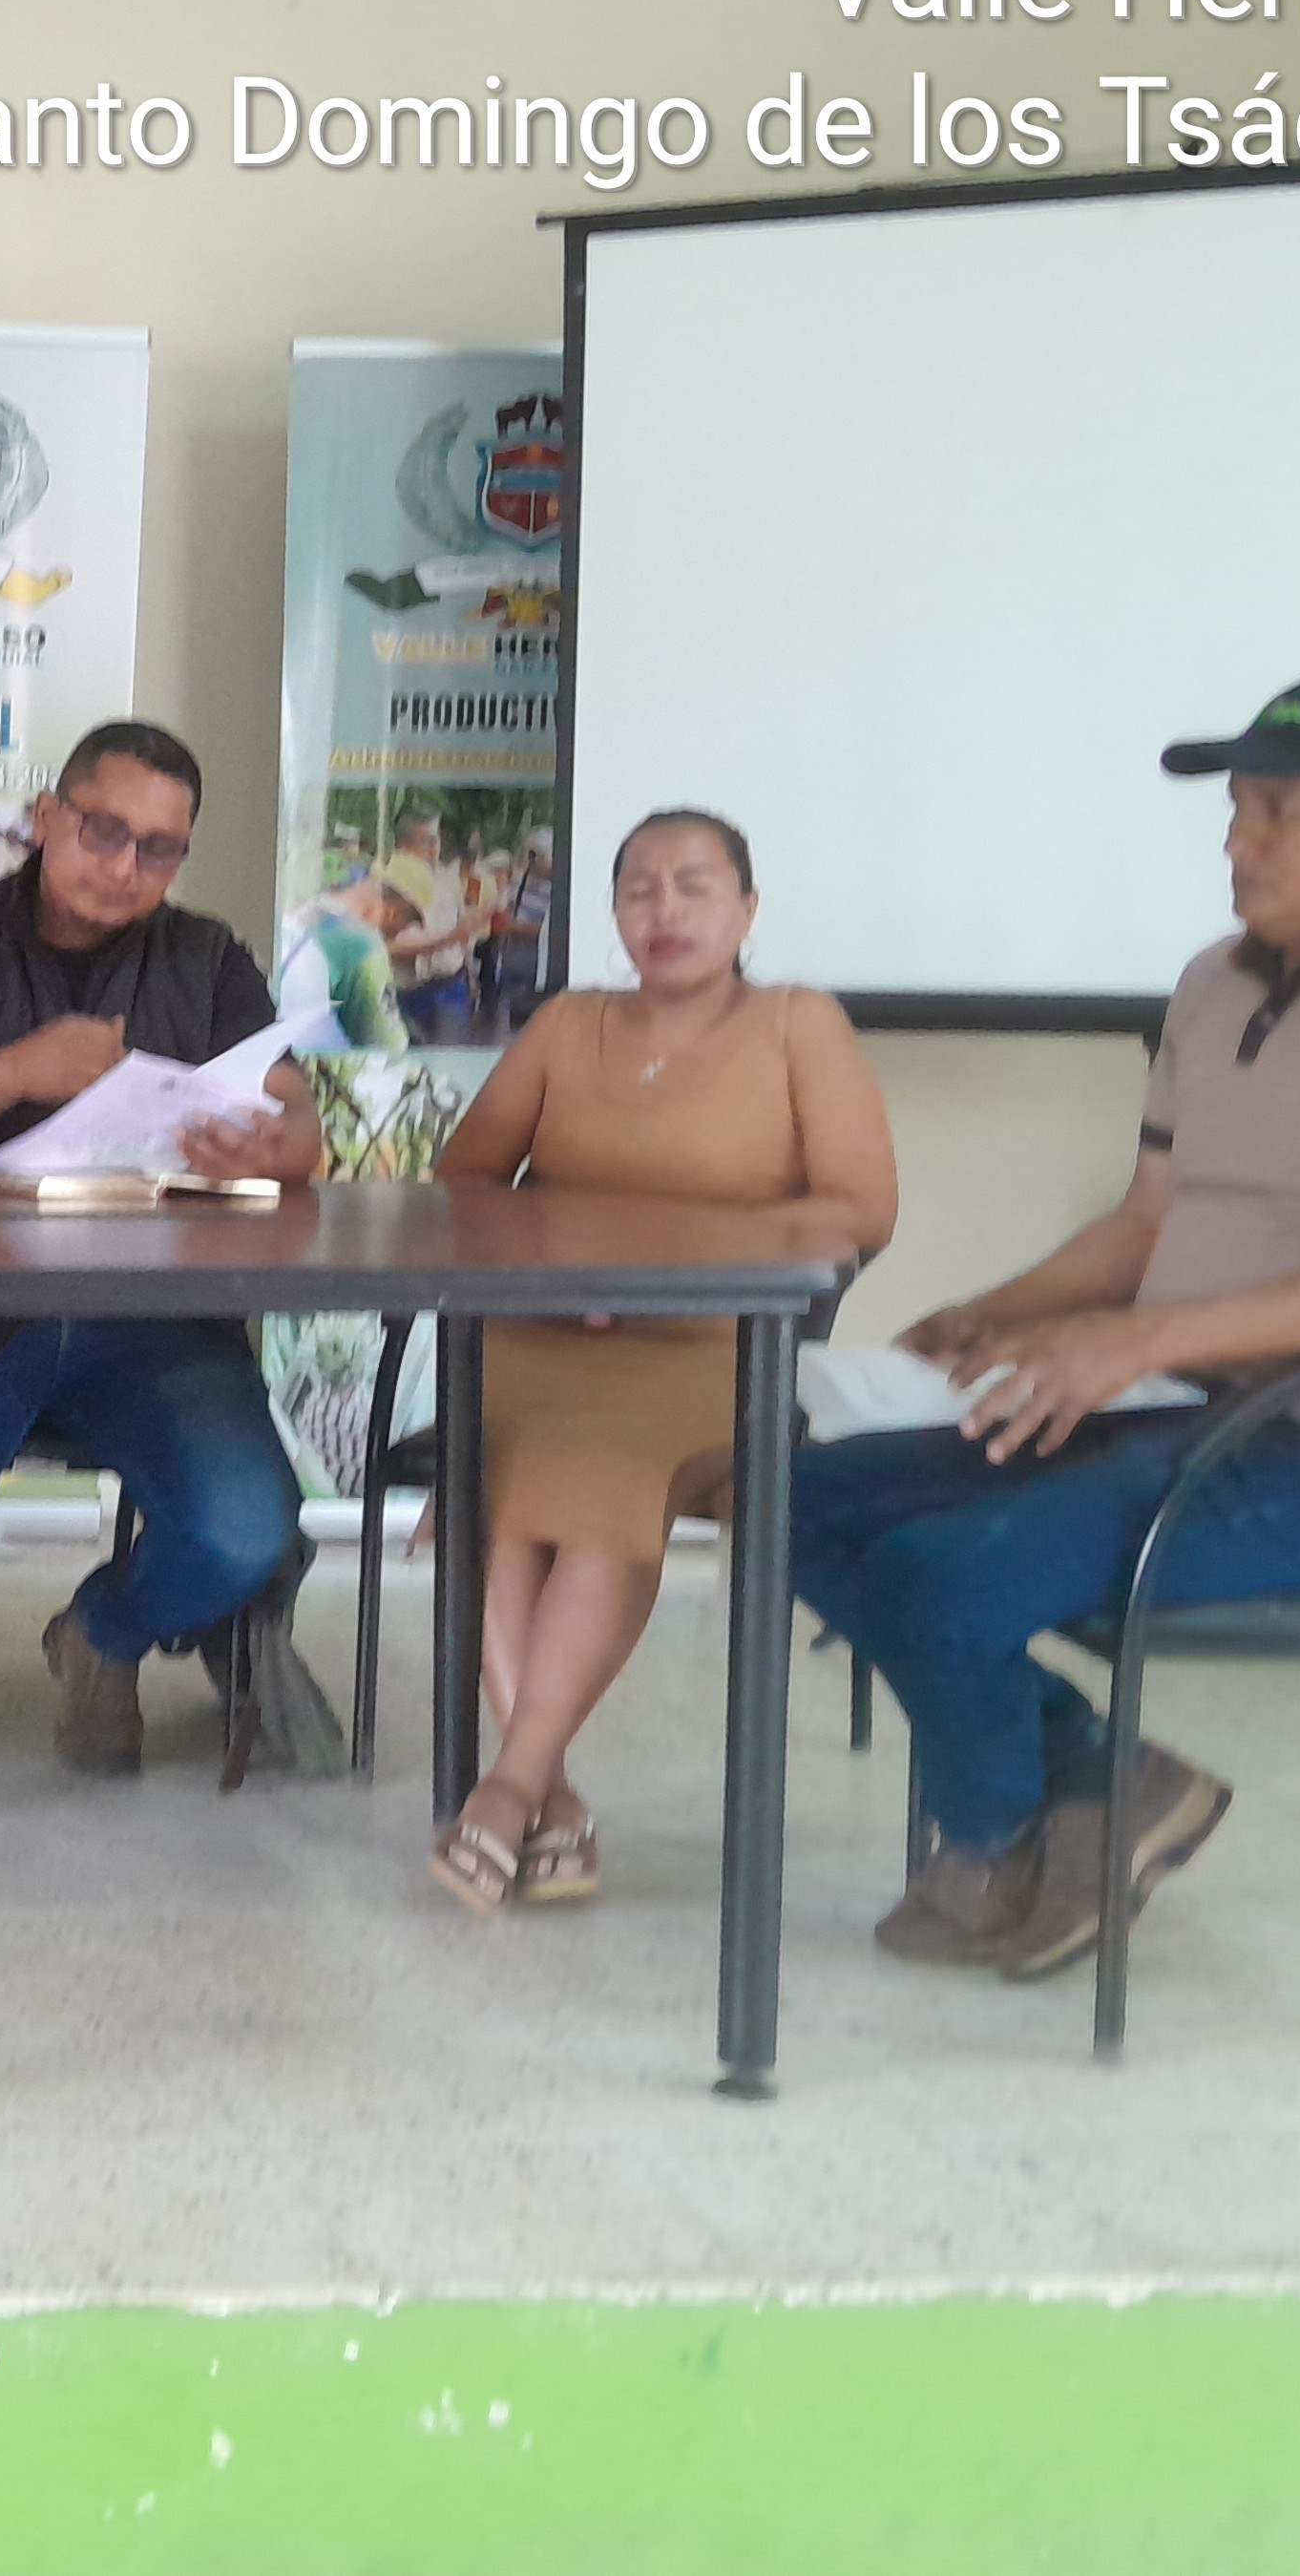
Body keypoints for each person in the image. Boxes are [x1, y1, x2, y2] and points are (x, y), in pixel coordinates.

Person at [803, 679, 1300, 1981]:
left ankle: (999, 1844)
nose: (1237, 842)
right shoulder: (1216, 983)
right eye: (1236, 810)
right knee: (801, 1500)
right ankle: (1107, 1786)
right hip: (1170, 1408)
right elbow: (1148, 1220)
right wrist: (998, 1312)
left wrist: (1138, 1341)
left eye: (1280, 814)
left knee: (944, 1575)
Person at [0, 719, 319, 1768]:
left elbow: (300, 1133)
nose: (126, 866)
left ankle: (104, 1633)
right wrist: (11, 1073)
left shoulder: (206, 958)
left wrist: (264, 1148)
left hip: (156, 1319)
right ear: (47, 817)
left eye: (160, 848)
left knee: (248, 1531)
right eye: (103, 831)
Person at [426, 811, 898, 1909]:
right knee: (488, 1472)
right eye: (639, 888)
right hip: (553, 1326)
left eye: (694, 886)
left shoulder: (798, 1024)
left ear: (747, 909)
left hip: (713, 1338)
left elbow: (860, 1209)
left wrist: (661, 1267)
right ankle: (548, 1798)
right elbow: (464, 1182)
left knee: (605, 1472)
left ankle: (510, 1783)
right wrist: (567, 1269)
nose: (665, 910)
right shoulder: (568, 1023)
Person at [281, 855, 409, 1057]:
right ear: (390, 912)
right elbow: (388, 1048)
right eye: (404, 925)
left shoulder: (289, 922)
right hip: (315, 1070)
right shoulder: (364, 945)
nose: (398, 934)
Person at [380, 809, 478, 1043]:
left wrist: (470, 973)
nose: (435, 848)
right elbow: (388, 944)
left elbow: (464, 926)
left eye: (436, 840)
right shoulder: (388, 882)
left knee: (451, 1056)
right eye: (426, 841)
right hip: (406, 990)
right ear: (404, 844)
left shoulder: (448, 879)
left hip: (450, 986)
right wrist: (447, 939)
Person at [485, 823, 558, 1036]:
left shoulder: (560, 890)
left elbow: (555, 931)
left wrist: (516, 927)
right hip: (514, 967)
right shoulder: (518, 883)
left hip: (541, 971)